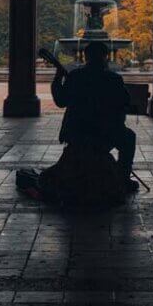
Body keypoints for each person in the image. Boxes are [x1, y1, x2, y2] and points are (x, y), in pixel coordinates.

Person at [51, 41, 138, 194]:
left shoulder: (75, 76)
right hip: (105, 133)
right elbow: (125, 103)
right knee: (129, 137)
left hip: (76, 132)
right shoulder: (113, 79)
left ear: (86, 57)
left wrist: (58, 79)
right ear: (105, 57)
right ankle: (123, 177)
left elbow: (60, 101)